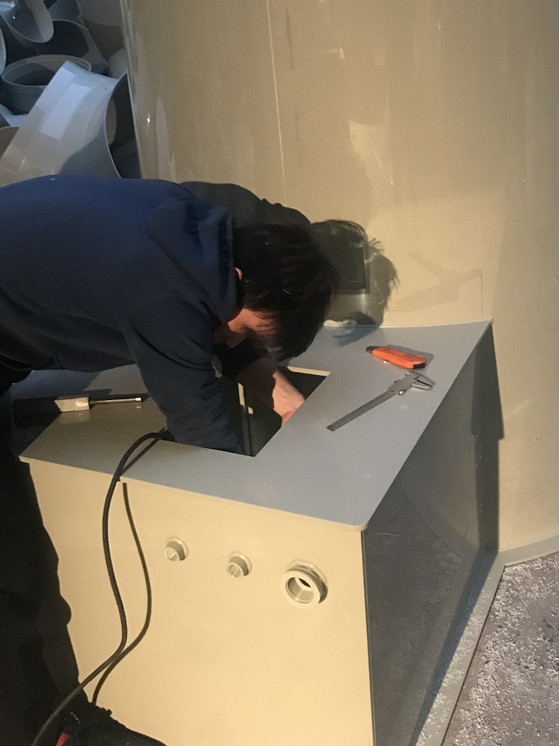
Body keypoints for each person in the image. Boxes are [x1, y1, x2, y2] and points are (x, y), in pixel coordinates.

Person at [0, 174, 337, 746]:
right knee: (14, 563)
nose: (232, 338)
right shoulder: (163, 300)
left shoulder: (200, 228)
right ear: (241, 283)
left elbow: (225, 333)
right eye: (247, 329)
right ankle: (31, 727)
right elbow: (204, 434)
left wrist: (286, 400)